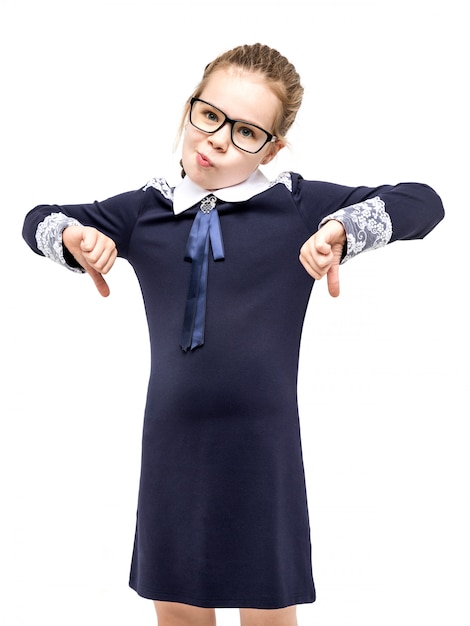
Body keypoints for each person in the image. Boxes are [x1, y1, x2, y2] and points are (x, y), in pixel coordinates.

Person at [22, 43, 444, 626]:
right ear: (190, 108)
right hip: (172, 444)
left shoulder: (297, 206)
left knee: (268, 611)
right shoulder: (146, 211)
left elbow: (425, 201)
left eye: (246, 132)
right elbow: (37, 218)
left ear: (272, 147)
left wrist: (346, 228)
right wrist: (73, 237)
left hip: (262, 448)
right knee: (178, 610)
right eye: (210, 115)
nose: (218, 139)